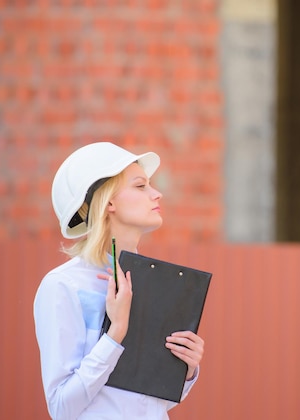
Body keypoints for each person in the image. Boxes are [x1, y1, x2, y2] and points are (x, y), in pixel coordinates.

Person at [34, 142, 205, 419]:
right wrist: (115, 333)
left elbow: (147, 403)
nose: (157, 193)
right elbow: (61, 407)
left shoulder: (151, 283)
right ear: (108, 201)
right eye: (141, 186)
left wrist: (185, 369)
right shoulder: (64, 286)